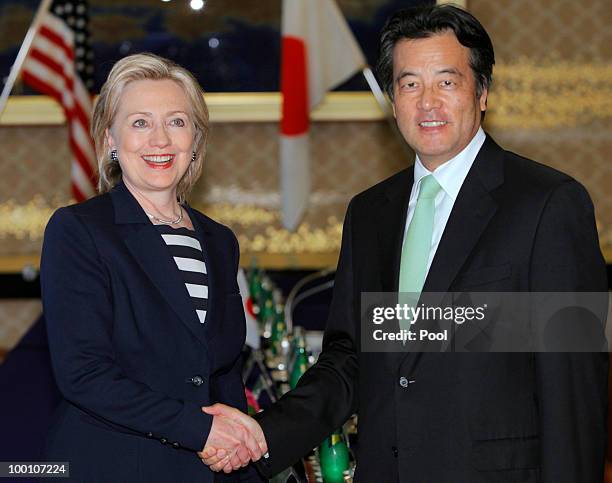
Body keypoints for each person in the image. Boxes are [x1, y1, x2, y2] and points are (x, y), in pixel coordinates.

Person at [200, 5, 608, 483]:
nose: (427, 102)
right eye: (410, 84)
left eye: (447, 82)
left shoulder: (549, 203)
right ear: (392, 101)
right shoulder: (371, 212)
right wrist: (265, 436)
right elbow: (350, 360)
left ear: (482, 93)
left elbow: (573, 391)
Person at [40, 53, 266, 482]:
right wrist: (204, 431)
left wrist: (235, 447)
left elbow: (220, 370)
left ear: (195, 139)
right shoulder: (78, 231)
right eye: (140, 122)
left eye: (177, 122)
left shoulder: (219, 240)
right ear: (110, 139)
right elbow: (83, 375)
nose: (160, 139)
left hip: (206, 468)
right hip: (113, 465)